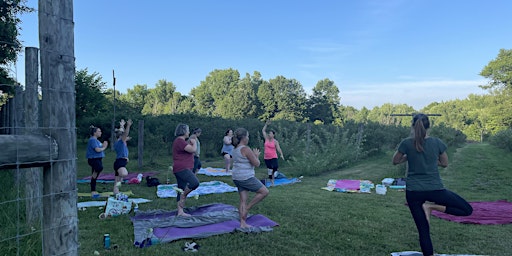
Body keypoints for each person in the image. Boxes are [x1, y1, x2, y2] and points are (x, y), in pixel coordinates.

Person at [392, 113, 473, 256]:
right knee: (466, 210)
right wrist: (430, 159)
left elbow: (395, 161)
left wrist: (410, 157)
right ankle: (432, 206)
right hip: (435, 189)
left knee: (423, 230)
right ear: (429, 126)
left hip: (413, 192)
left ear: (412, 125)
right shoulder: (437, 143)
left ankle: (429, 207)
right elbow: (444, 163)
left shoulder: (406, 143)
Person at [231, 128, 269, 228]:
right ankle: (247, 208)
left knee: (243, 200)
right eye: (247, 136)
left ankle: (243, 223)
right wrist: (256, 155)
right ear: (244, 138)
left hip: (236, 177)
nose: (248, 138)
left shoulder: (235, 149)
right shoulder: (246, 149)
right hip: (245, 177)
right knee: (264, 192)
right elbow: (256, 164)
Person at [172, 123, 200, 217]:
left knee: (181, 188)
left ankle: (180, 212)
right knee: (194, 183)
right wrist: (194, 142)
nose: (188, 132)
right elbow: (193, 150)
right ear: (184, 131)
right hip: (182, 168)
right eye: (187, 130)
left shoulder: (181, 141)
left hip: (181, 168)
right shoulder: (180, 141)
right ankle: (184, 196)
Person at [86, 126, 108, 197]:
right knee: (99, 168)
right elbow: (97, 149)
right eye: (99, 131)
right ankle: (93, 180)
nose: (100, 133)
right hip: (93, 159)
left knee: (96, 173)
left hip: (98, 159)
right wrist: (104, 147)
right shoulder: (92, 140)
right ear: (94, 133)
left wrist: (104, 145)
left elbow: (100, 146)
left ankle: (93, 189)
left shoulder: (97, 141)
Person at [262, 121, 285, 186]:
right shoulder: (266, 139)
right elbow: (263, 131)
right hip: (266, 157)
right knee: (269, 170)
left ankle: (275, 173)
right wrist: (266, 124)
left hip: (273, 156)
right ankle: (272, 183)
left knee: (275, 167)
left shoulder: (275, 141)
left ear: (273, 135)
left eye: (271, 133)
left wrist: (281, 154)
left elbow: (278, 148)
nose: (269, 134)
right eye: (269, 133)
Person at [113, 119, 133, 194]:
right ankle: (117, 191)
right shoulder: (120, 142)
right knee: (124, 174)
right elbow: (126, 134)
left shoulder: (119, 142)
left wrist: (122, 126)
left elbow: (125, 136)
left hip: (119, 162)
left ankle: (116, 193)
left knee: (118, 180)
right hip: (120, 162)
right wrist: (128, 125)